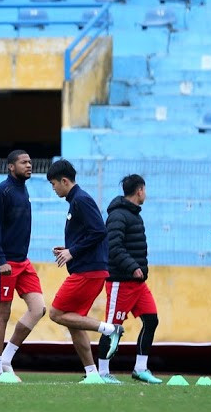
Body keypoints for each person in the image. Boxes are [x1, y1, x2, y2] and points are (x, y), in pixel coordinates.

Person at [46, 159, 121, 384]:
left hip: (89, 271)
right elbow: (88, 234)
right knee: (73, 321)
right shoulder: (76, 201)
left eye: (53, 184)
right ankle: (92, 374)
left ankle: (110, 329)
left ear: (64, 181)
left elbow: (99, 231)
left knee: (56, 313)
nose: (53, 188)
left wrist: (73, 251)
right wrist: (68, 248)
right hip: (87, 268)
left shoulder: (81, 199)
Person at [0, 150, 46, 382]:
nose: (29, 165)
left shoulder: (23, 189)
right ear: (11, 166)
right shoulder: (2, 191)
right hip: (4, 261)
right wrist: (1, 261)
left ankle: (6, 358)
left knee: (38, 308)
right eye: (23, 162)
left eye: (30, 162)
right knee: (2, 313)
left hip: (23, 261)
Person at [98, 174, 161, 384]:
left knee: (151, 320)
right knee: (112, 327)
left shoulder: (135, 215)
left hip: (138, 284)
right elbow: (113, 247)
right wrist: (132, 267)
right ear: (139, 190)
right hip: (121, 281)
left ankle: (140, 369)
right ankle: (102, 372)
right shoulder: (118, 215)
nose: (145, 194)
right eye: (145, 190)